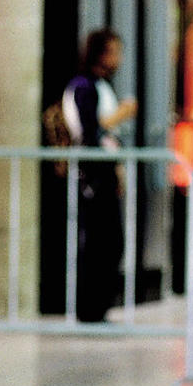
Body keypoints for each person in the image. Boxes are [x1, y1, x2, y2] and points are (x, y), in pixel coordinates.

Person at [63, 27, 137, 323]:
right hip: (93, 173)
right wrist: (122, 114)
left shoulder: (101, 85)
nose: (118, 59)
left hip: (105, 169)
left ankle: (99, 307)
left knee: (110, 241)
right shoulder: (84, 86)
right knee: (99, 241)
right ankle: (90, 309)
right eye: (114, 52)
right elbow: (90, 129)